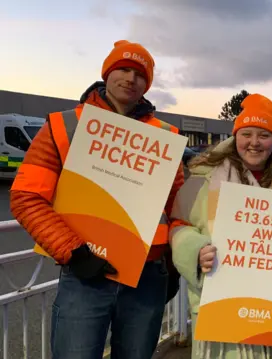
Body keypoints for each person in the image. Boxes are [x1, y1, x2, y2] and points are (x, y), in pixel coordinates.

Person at [9, 40, 185, 359]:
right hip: (84, 274)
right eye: (123, 69)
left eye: (140, 74)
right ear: (107, 73)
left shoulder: (165, 136)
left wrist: (174, 265)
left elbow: (177, 210)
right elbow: (26, 197)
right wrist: (74, 252)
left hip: (147, 278)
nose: (130, 79)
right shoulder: (64, 125)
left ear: (147, 83)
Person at [168, 93, 272, 359]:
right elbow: (178, 225)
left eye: (263, 135)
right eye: (247, 134)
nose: (254, 143)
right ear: (235, 137)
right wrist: (195, 250)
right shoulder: (204, 179)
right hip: (220, 304)